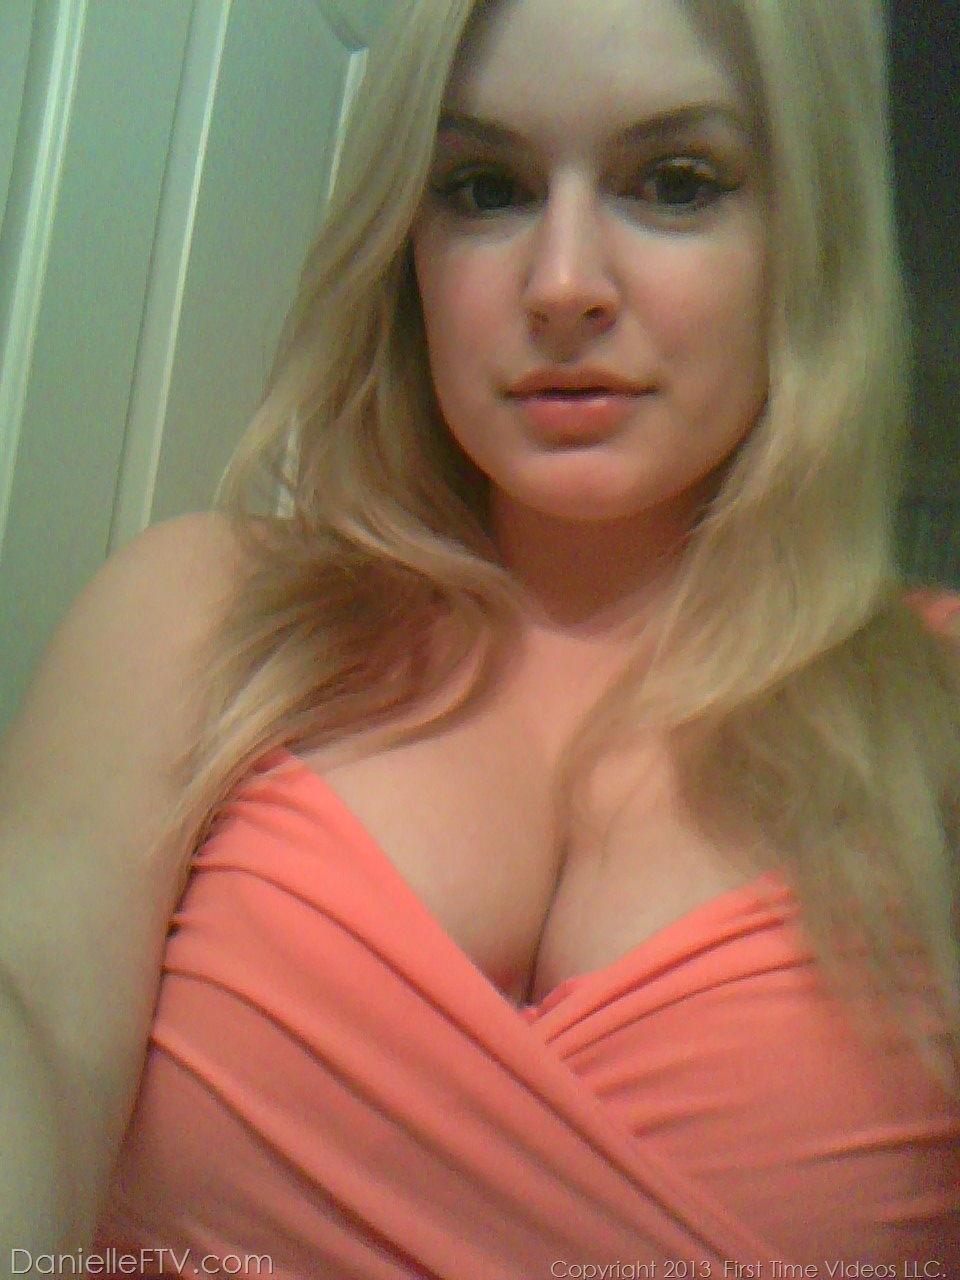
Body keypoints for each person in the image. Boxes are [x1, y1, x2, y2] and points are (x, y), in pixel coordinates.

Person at [1, 0, 958, 1273]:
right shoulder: (196, 615)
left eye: (676, 183)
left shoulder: (938, 703)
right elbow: (29, 1028)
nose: (562, 285)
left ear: (807, 235)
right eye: (485, 188)